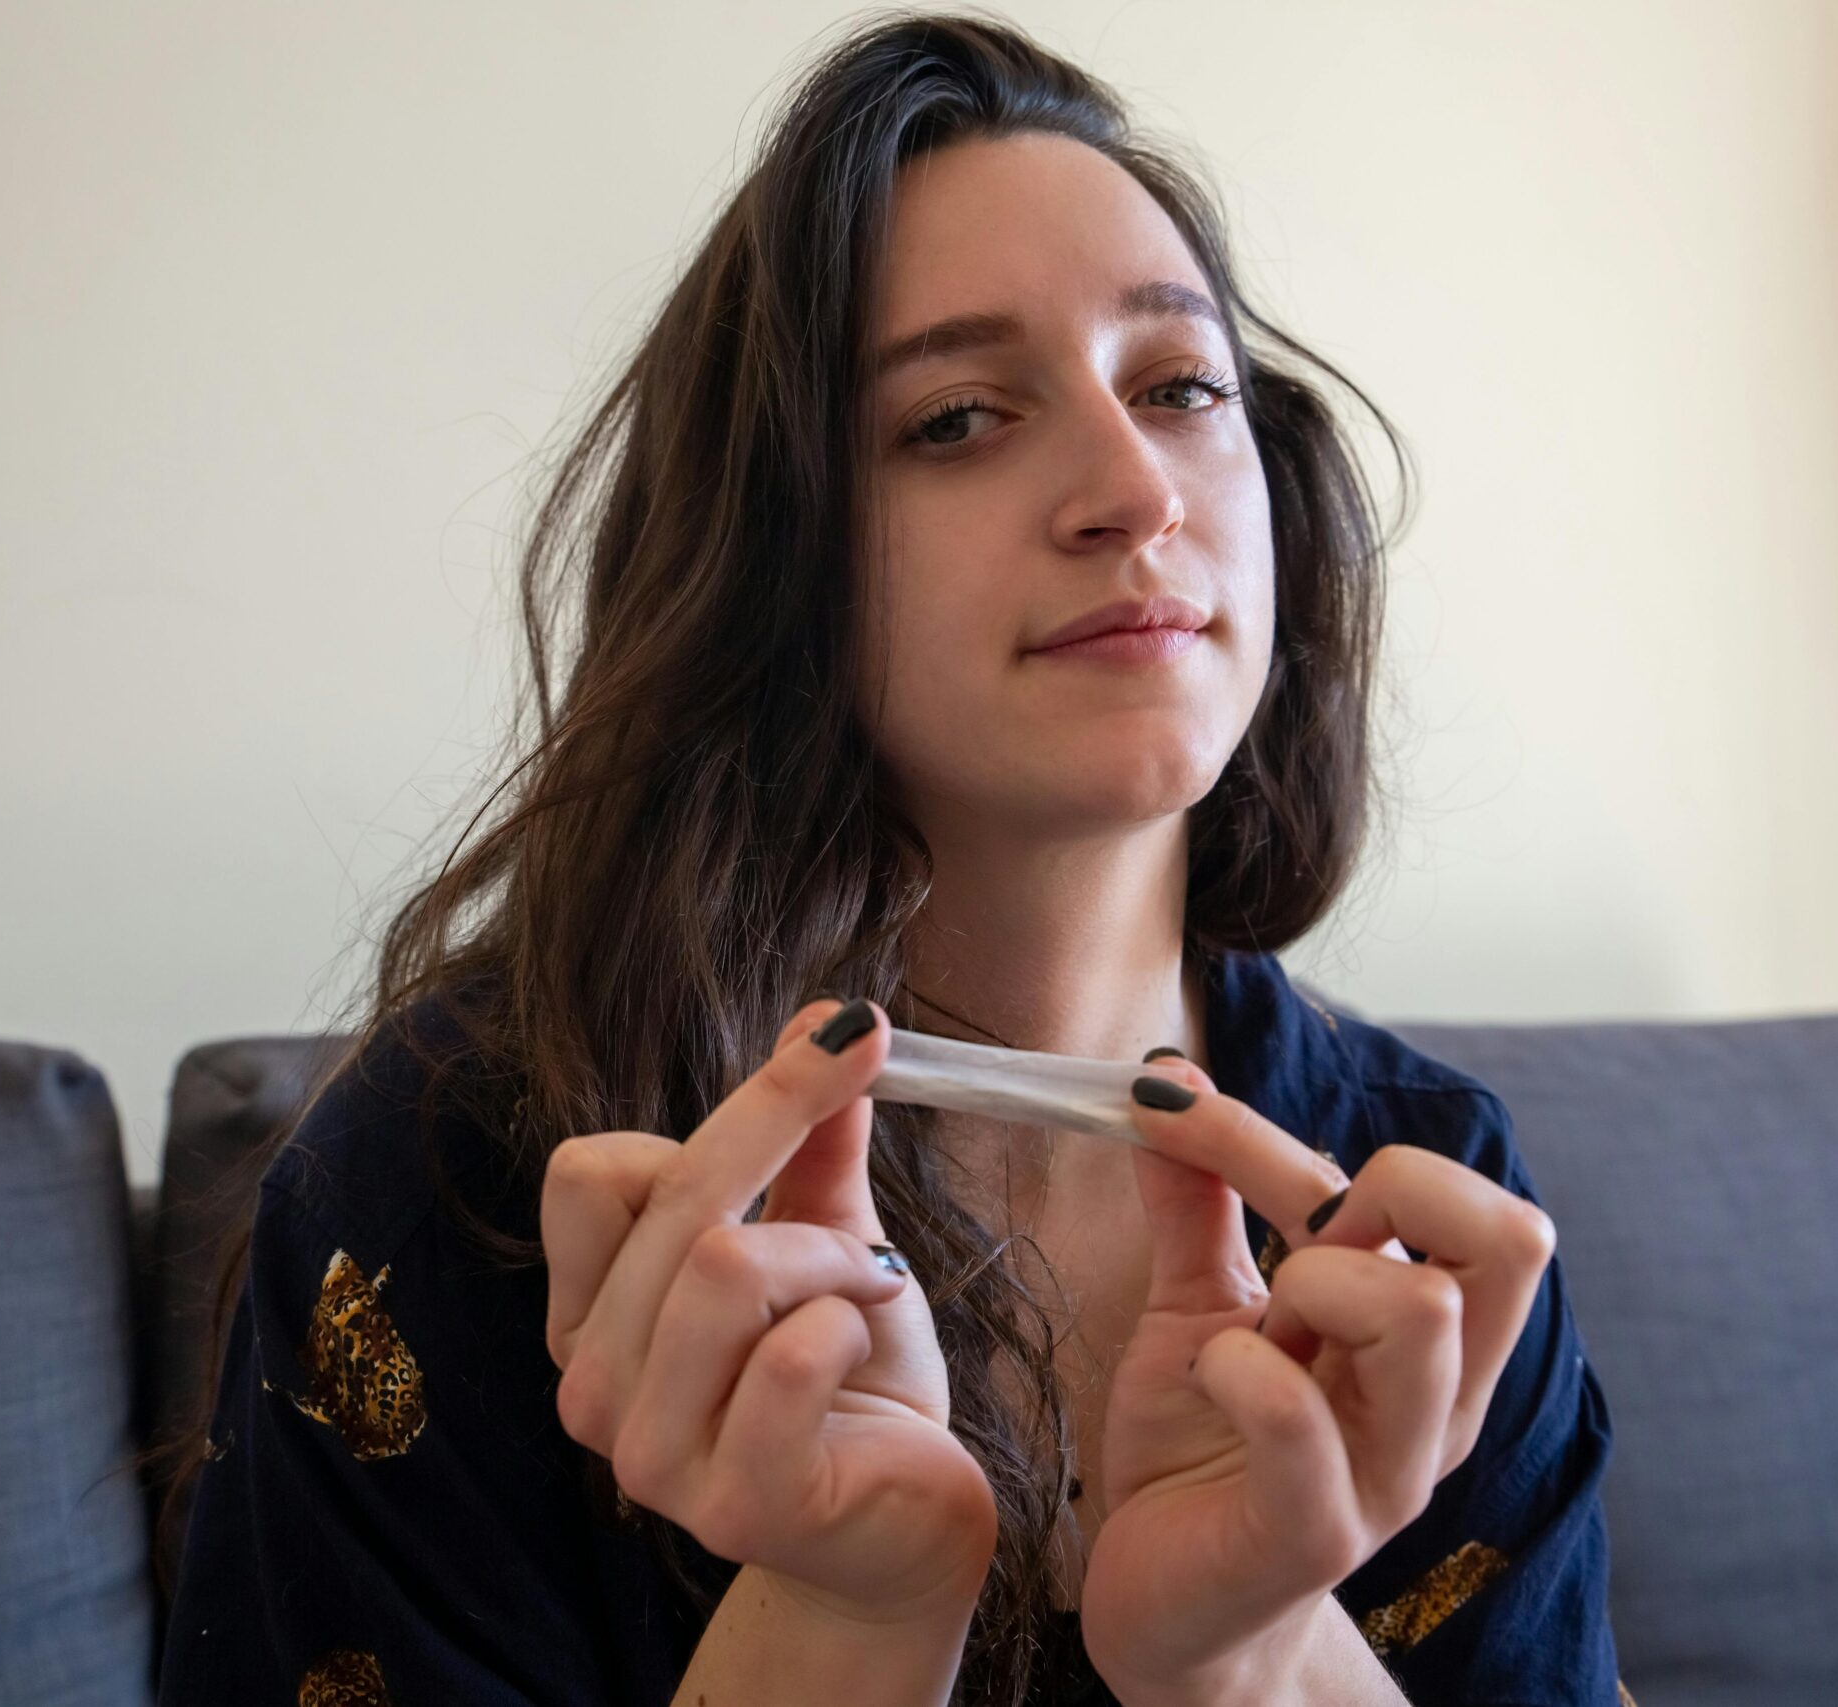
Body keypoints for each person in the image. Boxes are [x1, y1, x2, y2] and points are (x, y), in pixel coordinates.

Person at [151, 10, 1631, 1704]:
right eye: (956, 420)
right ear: (769, 563)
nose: (1132, 486)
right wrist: (846, 1622)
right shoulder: (470, 1184)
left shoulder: (1428, 1212)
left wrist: (1248, 1652)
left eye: (1179, 385)